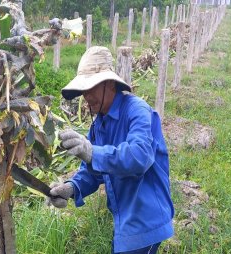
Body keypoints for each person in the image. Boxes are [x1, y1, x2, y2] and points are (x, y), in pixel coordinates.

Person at [47, 46, 174, 254]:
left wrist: (93, 152)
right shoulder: (99, 125)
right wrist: (71, 188)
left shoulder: (137, 111)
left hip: (145, 219)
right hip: (126, 223)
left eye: (92, 88)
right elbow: (92, 172)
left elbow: (139, 156)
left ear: (110, 84)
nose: (86, 96)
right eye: (83, 90)